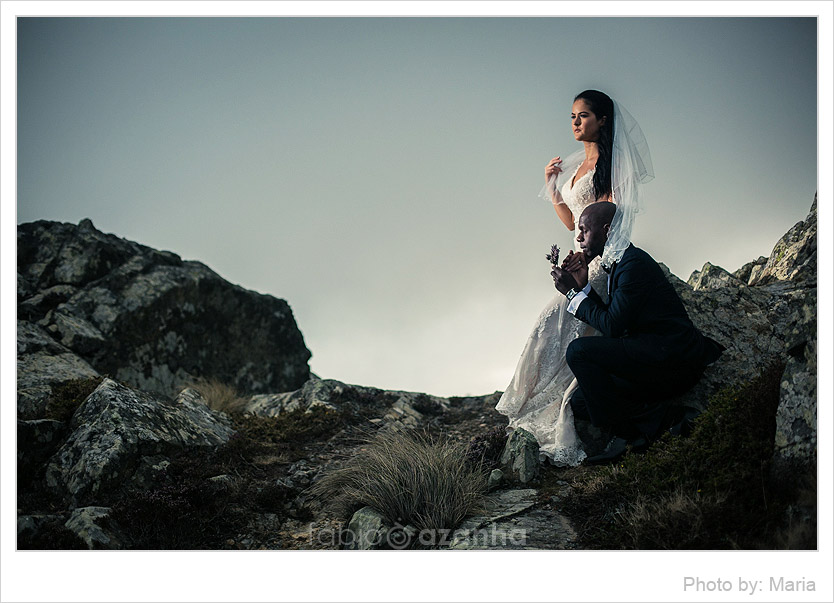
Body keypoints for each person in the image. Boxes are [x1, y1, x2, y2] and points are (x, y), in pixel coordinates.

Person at [495, 89, 653, 466]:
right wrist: (552, 187)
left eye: (583, 116)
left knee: (554, 316)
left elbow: (613, 218)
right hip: (578, 255)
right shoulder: (577, 168)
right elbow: (571, 221)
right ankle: (535, 400)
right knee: (554, 320)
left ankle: (560, 400)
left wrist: (590, 258)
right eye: (572, 116)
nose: (576, 122)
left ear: (602, 120)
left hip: (598, 260)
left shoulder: (611, 166)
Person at [552, 202, 724, 463]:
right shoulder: (619, 261)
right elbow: (614, 321)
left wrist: (572, 294)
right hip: (647, 357)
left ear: (607, 231)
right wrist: (583, 287)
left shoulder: (633, 264)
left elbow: (612, 327)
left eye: (584, 230)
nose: (578, 238)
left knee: (578, 352)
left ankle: (628, 436)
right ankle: (668, 419)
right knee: (579, 403)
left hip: (674, 362)